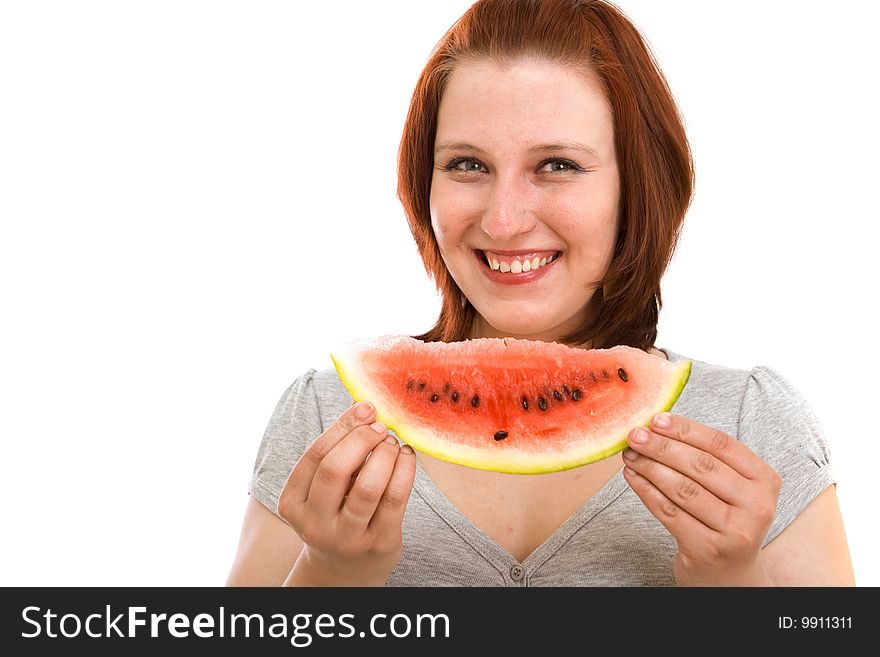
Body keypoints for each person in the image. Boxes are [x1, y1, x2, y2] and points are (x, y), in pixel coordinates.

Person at [226, 0, 854, 586]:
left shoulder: (748, 421)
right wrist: (331, 574)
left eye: (557, 165)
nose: (503, 220)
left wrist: (732, 591)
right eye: (467, 165)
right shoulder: (326, 418)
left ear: (637, 185)